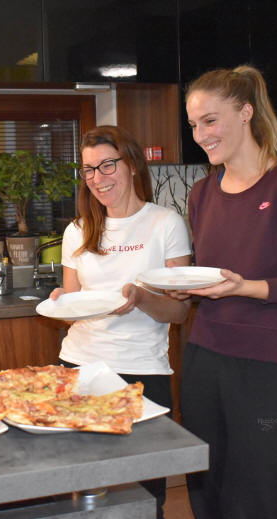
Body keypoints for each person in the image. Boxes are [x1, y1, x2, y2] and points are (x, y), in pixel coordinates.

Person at [173, 65, 277, 518]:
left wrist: (246, 288)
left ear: (246, 112)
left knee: (255, 498)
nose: (201, 135)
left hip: (267, 365)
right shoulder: (202, 193)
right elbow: (211, 274)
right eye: (194, 124)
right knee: (204, 487)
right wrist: (183, 289)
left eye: (210, 120)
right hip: (205, 356)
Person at [49, 125, 192, 518]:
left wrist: (142, 298)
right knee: (82, 489)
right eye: (89, 169)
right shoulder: (77, 230)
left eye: (107, 165)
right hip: (80, 368)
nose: (97, 178)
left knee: (145, 497)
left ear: (131, 164)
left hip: (142, 373)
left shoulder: (166, 223)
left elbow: (180, 312)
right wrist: (62, 302)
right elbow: (73, 307)